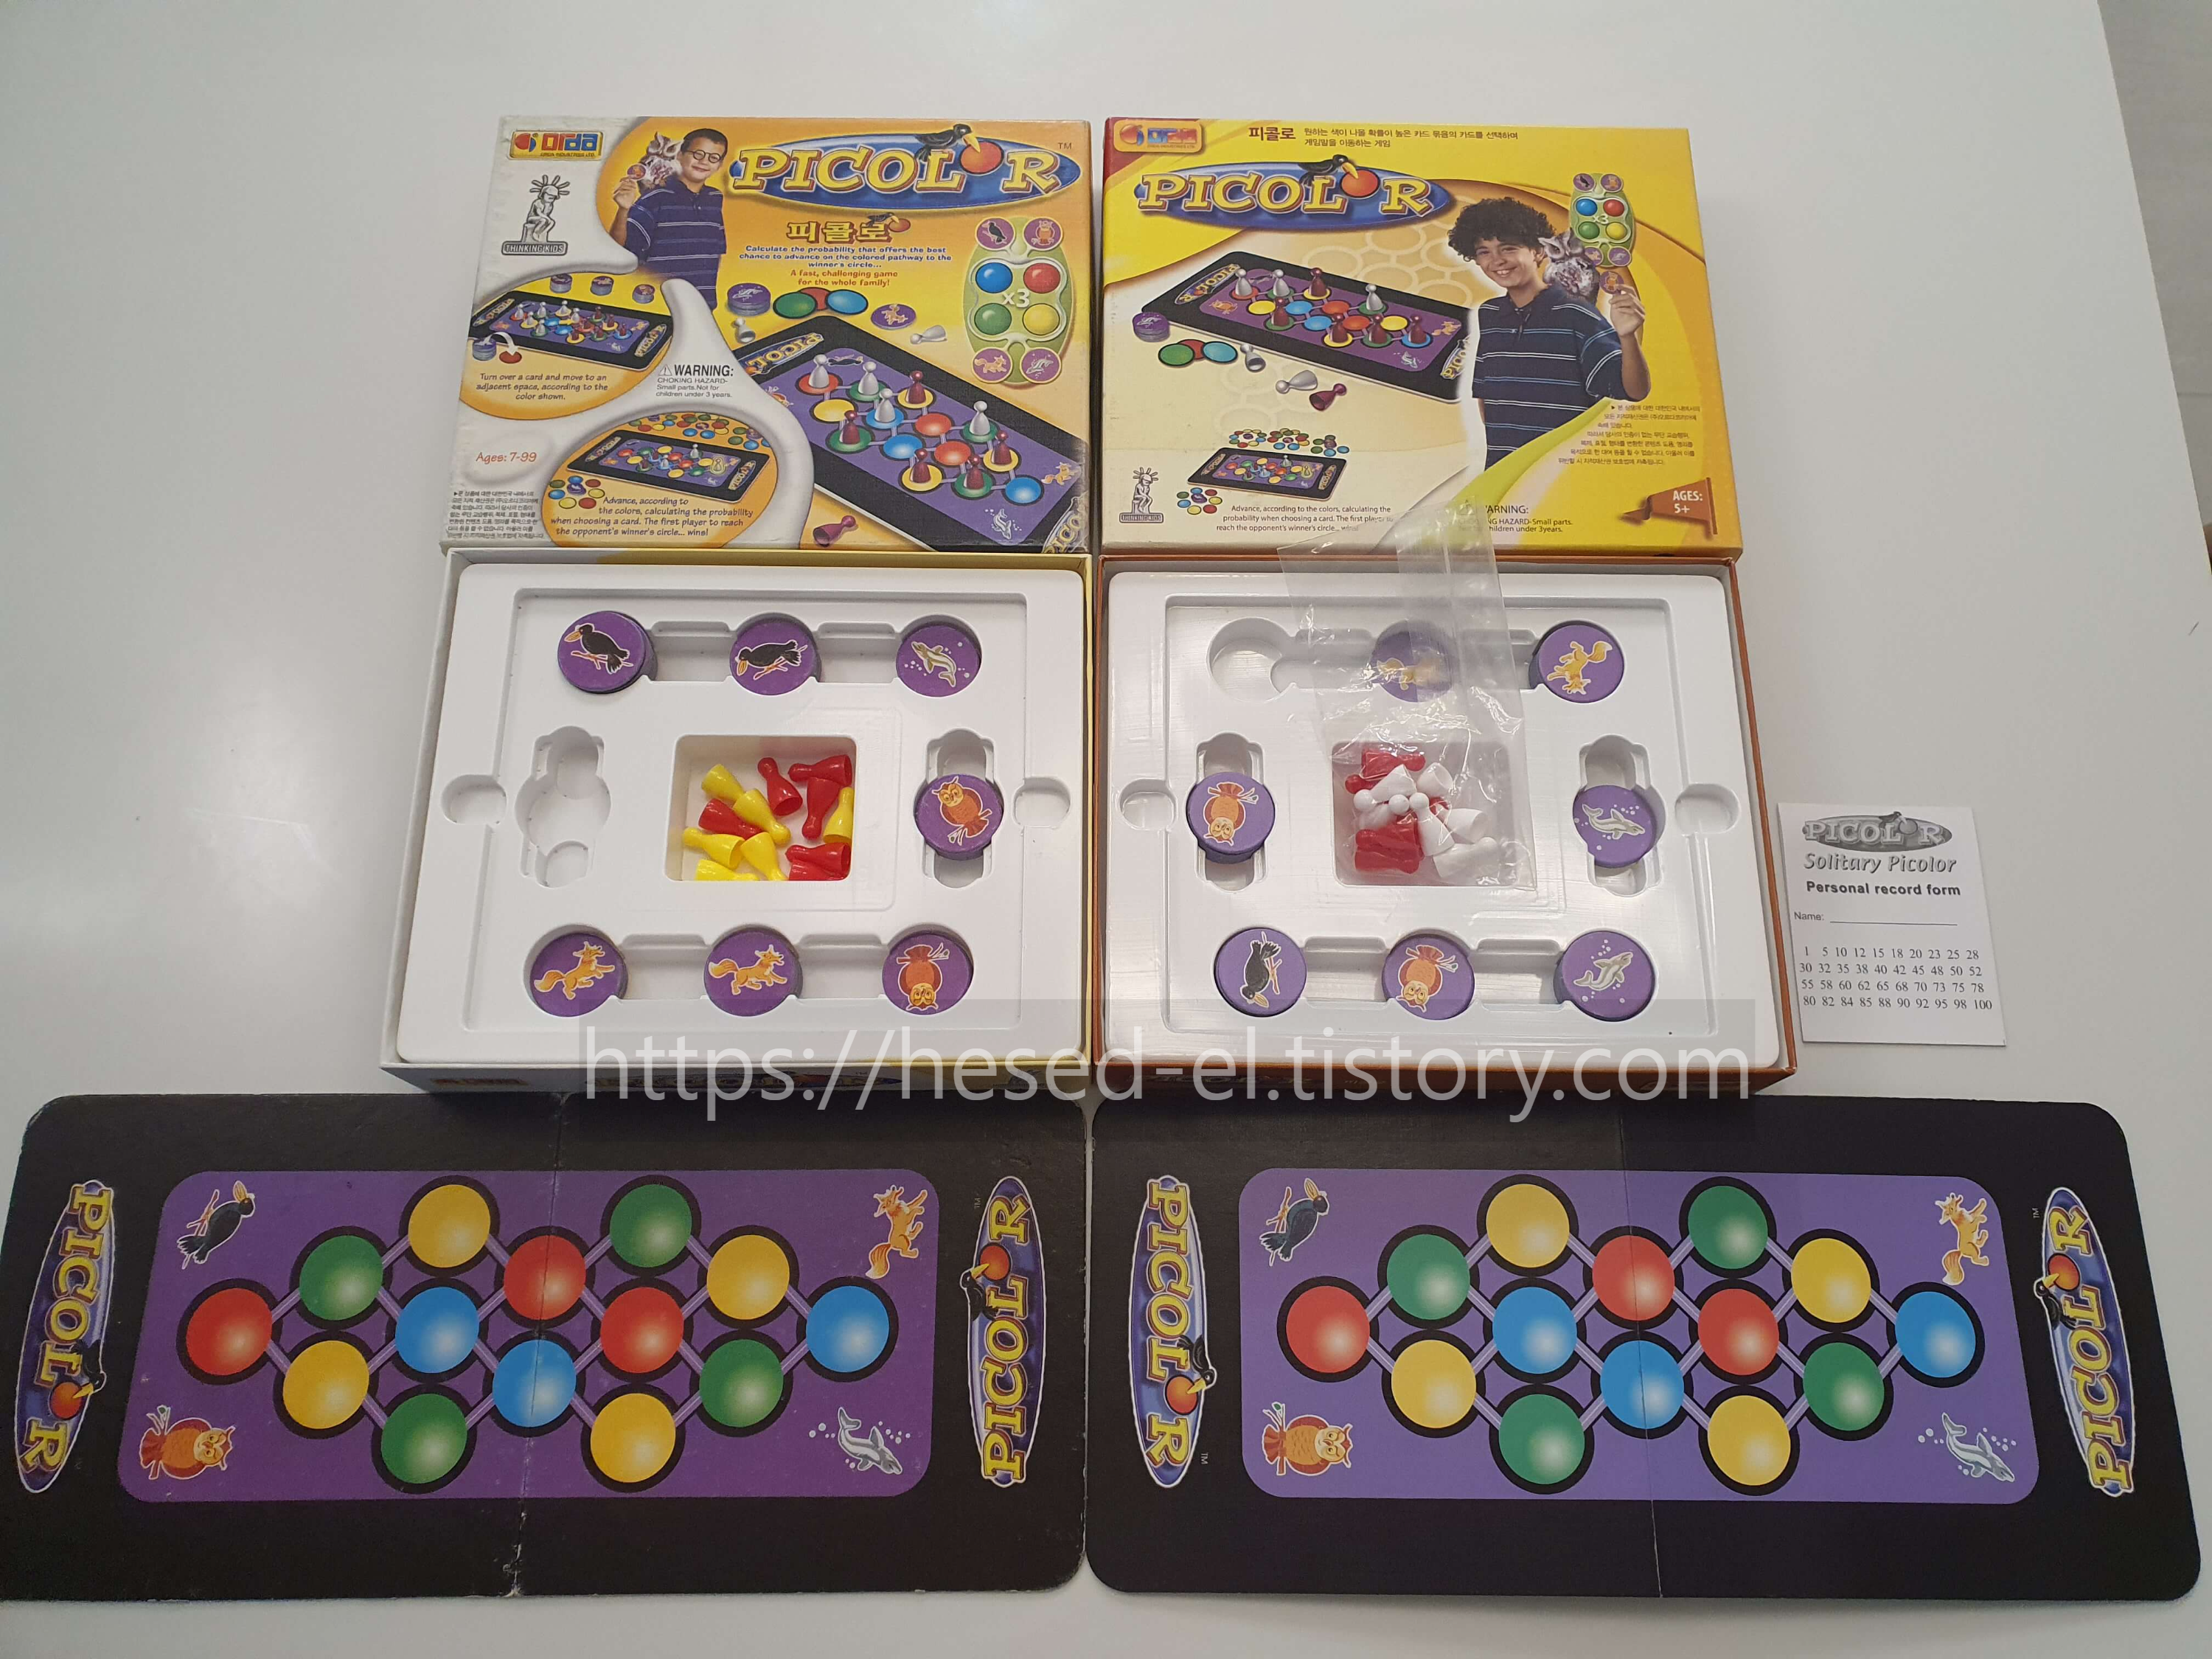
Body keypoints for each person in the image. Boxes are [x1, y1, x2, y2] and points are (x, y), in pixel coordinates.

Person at [1446, 197, 1649, 471]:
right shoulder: (1490, 314)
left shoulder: (1576, 313)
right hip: (1503, 472)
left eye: (1509, 248)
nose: (1497, 261)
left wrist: (1627, 337)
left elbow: (1635, 391)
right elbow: (1486, 392)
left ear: (1539, 252)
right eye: (1484, 252)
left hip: (1562, 475)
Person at [611, 128, 730, 303]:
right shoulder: (655, 197)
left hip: (702, 304)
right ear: (680, 156)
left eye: (714, 157)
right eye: (698, 154)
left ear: (719, 165)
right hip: (661, 304)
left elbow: (715, 252)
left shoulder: (715, 198)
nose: (704, 161)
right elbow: (620, 251)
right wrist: (623, 210)